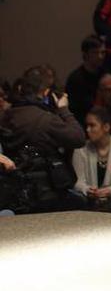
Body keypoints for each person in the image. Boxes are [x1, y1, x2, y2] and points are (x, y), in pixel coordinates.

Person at [0, 66, 86, 211]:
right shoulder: (45, 120)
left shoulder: (7, 115)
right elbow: (78, 138)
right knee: (80, 203)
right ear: (47, 92)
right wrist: (64, 110)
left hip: (14, 191)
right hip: (45, 193)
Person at [65, 35, 106, 122]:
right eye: (95, 53)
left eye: (102, 52)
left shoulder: (106, 74)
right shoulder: (76, 79)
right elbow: (76, 110)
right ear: (85, 54)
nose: (100, 56)